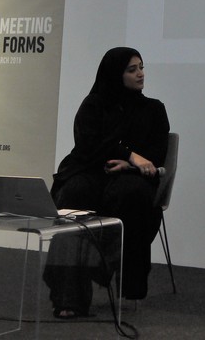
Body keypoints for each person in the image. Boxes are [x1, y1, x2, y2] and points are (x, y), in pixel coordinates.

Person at [44, 47, 170, 319]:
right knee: (74, 194)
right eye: (132, 69)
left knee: (131, 195)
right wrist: (129, 154)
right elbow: (88, 146)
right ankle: (69, 297)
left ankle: (104, 267)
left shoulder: (154, 109)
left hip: (131, 177)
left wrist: (129, 164)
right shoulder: (94, 104)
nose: (140, 74)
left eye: (141, 67)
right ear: (115, 74)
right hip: (90, 170)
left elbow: (158, 153)